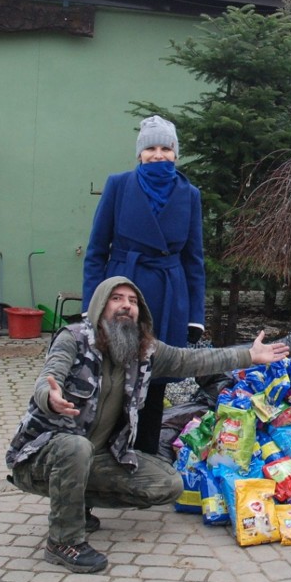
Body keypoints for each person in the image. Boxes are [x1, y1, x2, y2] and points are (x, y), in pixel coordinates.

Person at [6, 276, 290, 574]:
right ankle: (63, 540)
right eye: (117, 298)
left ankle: (74, 505)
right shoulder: (73, 338)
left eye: (132, 301)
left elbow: (192, 360)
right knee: (75, 447)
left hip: (95, 456)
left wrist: (248, 355)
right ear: (100, 305)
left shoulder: (144, 350)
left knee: (168, 484)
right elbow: (50, 374)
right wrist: (50, 396)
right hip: (41, 456)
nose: (126, 306)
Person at [83, 115, 205, 456]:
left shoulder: (189, 194)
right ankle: (105, 457)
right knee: (114, 379)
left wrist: (195, 315)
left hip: (168, 296)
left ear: (175, 154)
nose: (158, 154)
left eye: (166, 148)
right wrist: (92, 304)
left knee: (155, 380)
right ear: (139, 153)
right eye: (150, 148)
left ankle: (146, 457)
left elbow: (194, 259)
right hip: (124, 291)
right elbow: (96, 251)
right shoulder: (119, 185)